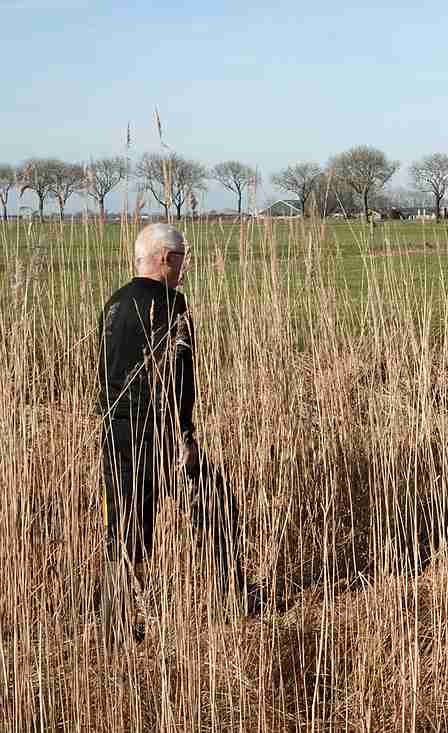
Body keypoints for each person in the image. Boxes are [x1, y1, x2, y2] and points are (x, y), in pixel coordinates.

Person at [96, 223, 251, 650]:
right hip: (159, 436)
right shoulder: (170, 305)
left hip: (115, 434)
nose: (185, 268)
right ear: (165, 258)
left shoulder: (114, 304)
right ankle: (231, 600)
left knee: (126, 531)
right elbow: (177, 378)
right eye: (182, 258)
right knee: (216, 505)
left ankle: (115, 628)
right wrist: (185, 436)